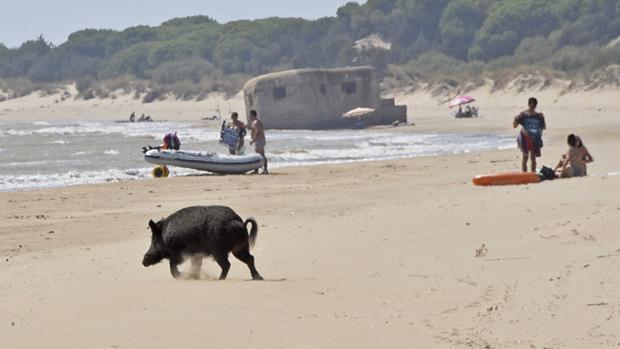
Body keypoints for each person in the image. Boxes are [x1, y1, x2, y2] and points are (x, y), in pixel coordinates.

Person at [513, 97, 546, 172]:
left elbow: (543, 127)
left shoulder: (538, 116)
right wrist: (516, 119)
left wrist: (543, 117)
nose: (532, 108)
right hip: (525, 138)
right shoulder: (524, 115)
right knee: (525, 157)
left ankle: (533, 173)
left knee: (533, 158)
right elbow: (514, 126)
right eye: (531, 106)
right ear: (528, 105)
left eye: (533, 106)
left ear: (536, 106)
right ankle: (524, 174)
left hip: (535, 138)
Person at [249, 110, 268, 174]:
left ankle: (265, 169)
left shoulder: (256, 122)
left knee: (261, 155)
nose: (249, 116)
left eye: (250, 115)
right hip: (258, 140)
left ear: (252, 115)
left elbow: (258, 132)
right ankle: (256, 170)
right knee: (258, 155)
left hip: (259, 140)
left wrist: (253, 140)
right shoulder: (255, 122)